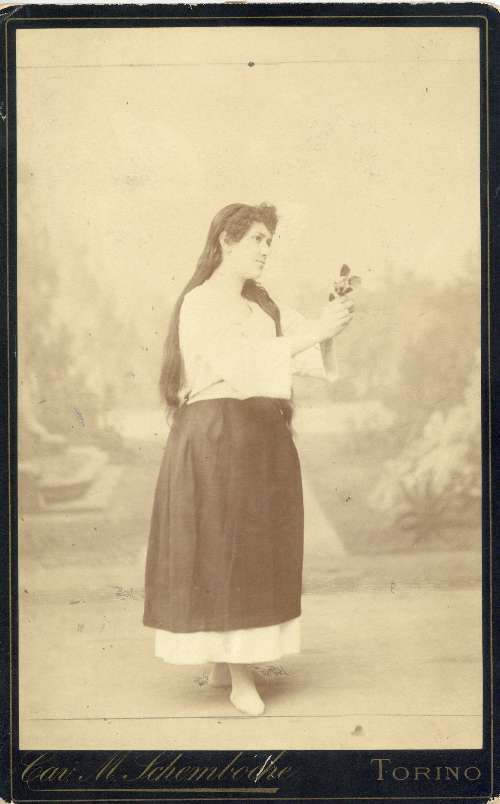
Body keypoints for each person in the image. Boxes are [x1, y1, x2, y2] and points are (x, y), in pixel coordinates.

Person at [143, 202, 354, 716]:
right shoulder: (199, 303)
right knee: (225, 547)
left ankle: (225, 664)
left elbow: (302, 352)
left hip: (258, 439)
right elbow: (242, 363)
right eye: (257, 239)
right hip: (217, 438)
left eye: (269, 242)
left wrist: (332, 320)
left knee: (255, 548)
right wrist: (318, 331)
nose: (265, 250)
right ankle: (240, 675)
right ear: (226, 241)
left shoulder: (261, 305)